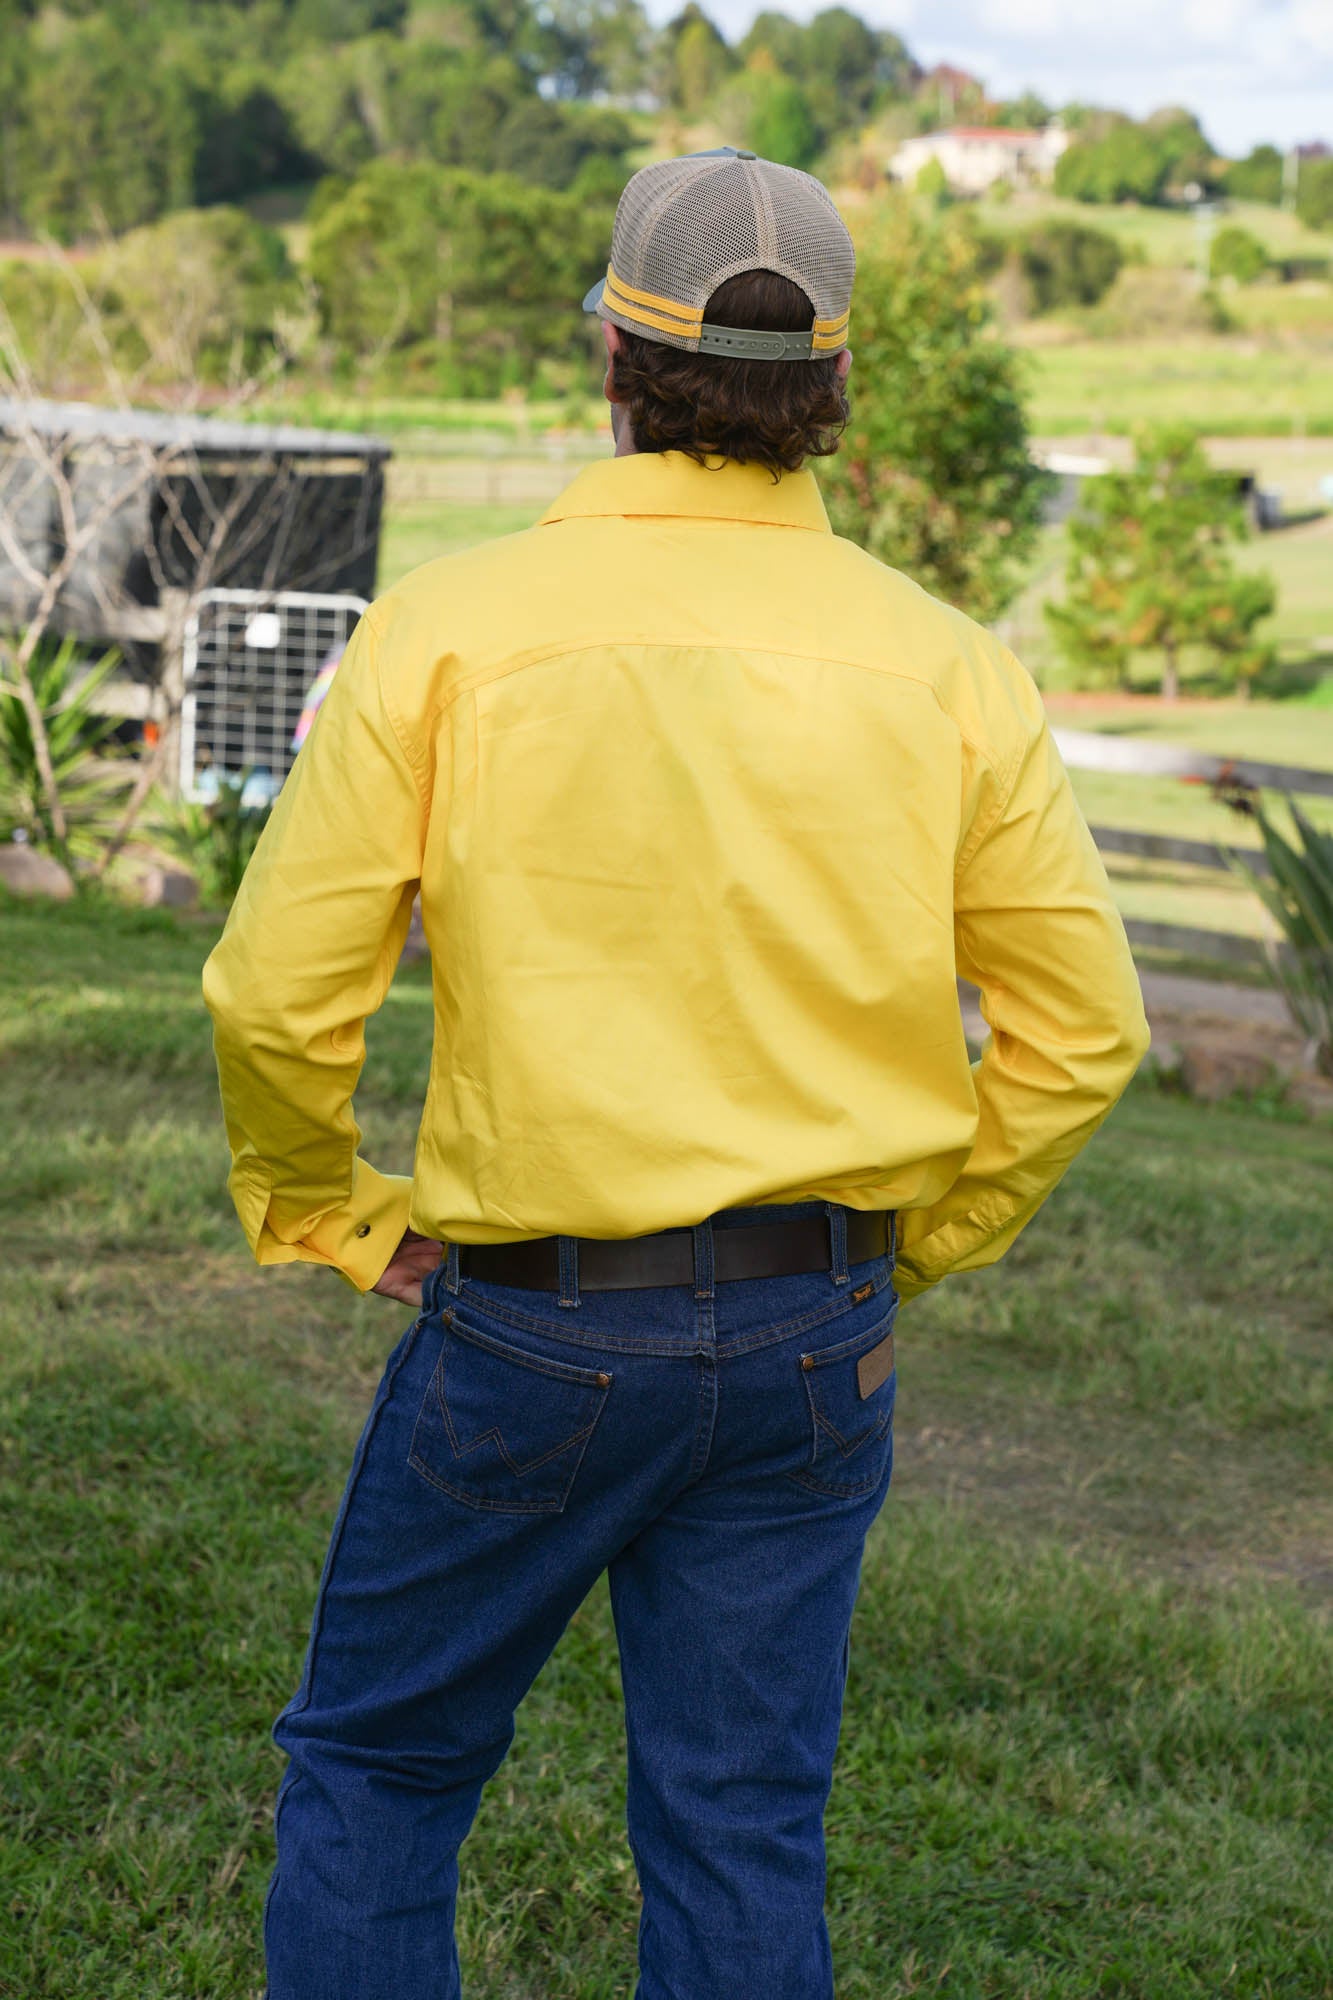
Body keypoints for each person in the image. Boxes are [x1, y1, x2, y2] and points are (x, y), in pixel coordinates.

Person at [201, 148, 1150, 2000]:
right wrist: (919, 1239)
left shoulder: (448, 629)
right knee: (739, 1825)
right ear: (830, 393)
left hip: (535, 1334)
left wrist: (325, 1207)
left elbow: (270, 1000)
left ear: (611, 365)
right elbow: (1084, 1030)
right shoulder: (954, 666)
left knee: (383, 1770)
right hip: (820, 1338)